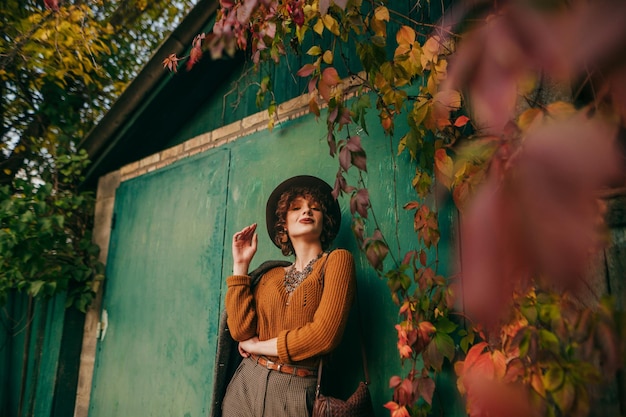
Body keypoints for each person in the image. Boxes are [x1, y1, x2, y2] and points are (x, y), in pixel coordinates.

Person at [220, 175, 356, 417]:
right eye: (296, 208)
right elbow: (241, 332)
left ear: (325, 220)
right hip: (245, 385)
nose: (307, 211)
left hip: (295, 392)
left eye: (315, 208)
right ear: (283, 223)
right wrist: (240, 265)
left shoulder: (337, 261)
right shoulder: (270, 275)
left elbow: (323, 336)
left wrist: (258, 346)